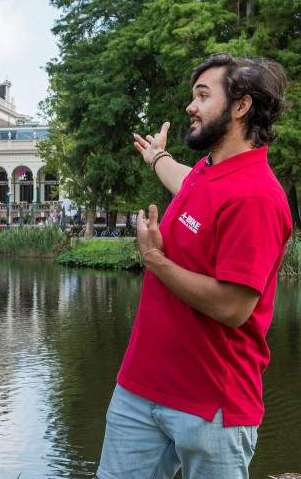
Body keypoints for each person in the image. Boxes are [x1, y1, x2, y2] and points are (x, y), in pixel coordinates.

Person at [96, 54, 292, 479]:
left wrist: (154, 260)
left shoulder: (257, 197)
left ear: (240, 107)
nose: (191, 106)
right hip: (139, 391)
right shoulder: (210, 172)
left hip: (211, 409)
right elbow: (187, 182)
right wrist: (156, 158)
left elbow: (233, 307)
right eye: (192, 96)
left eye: (203, 95)